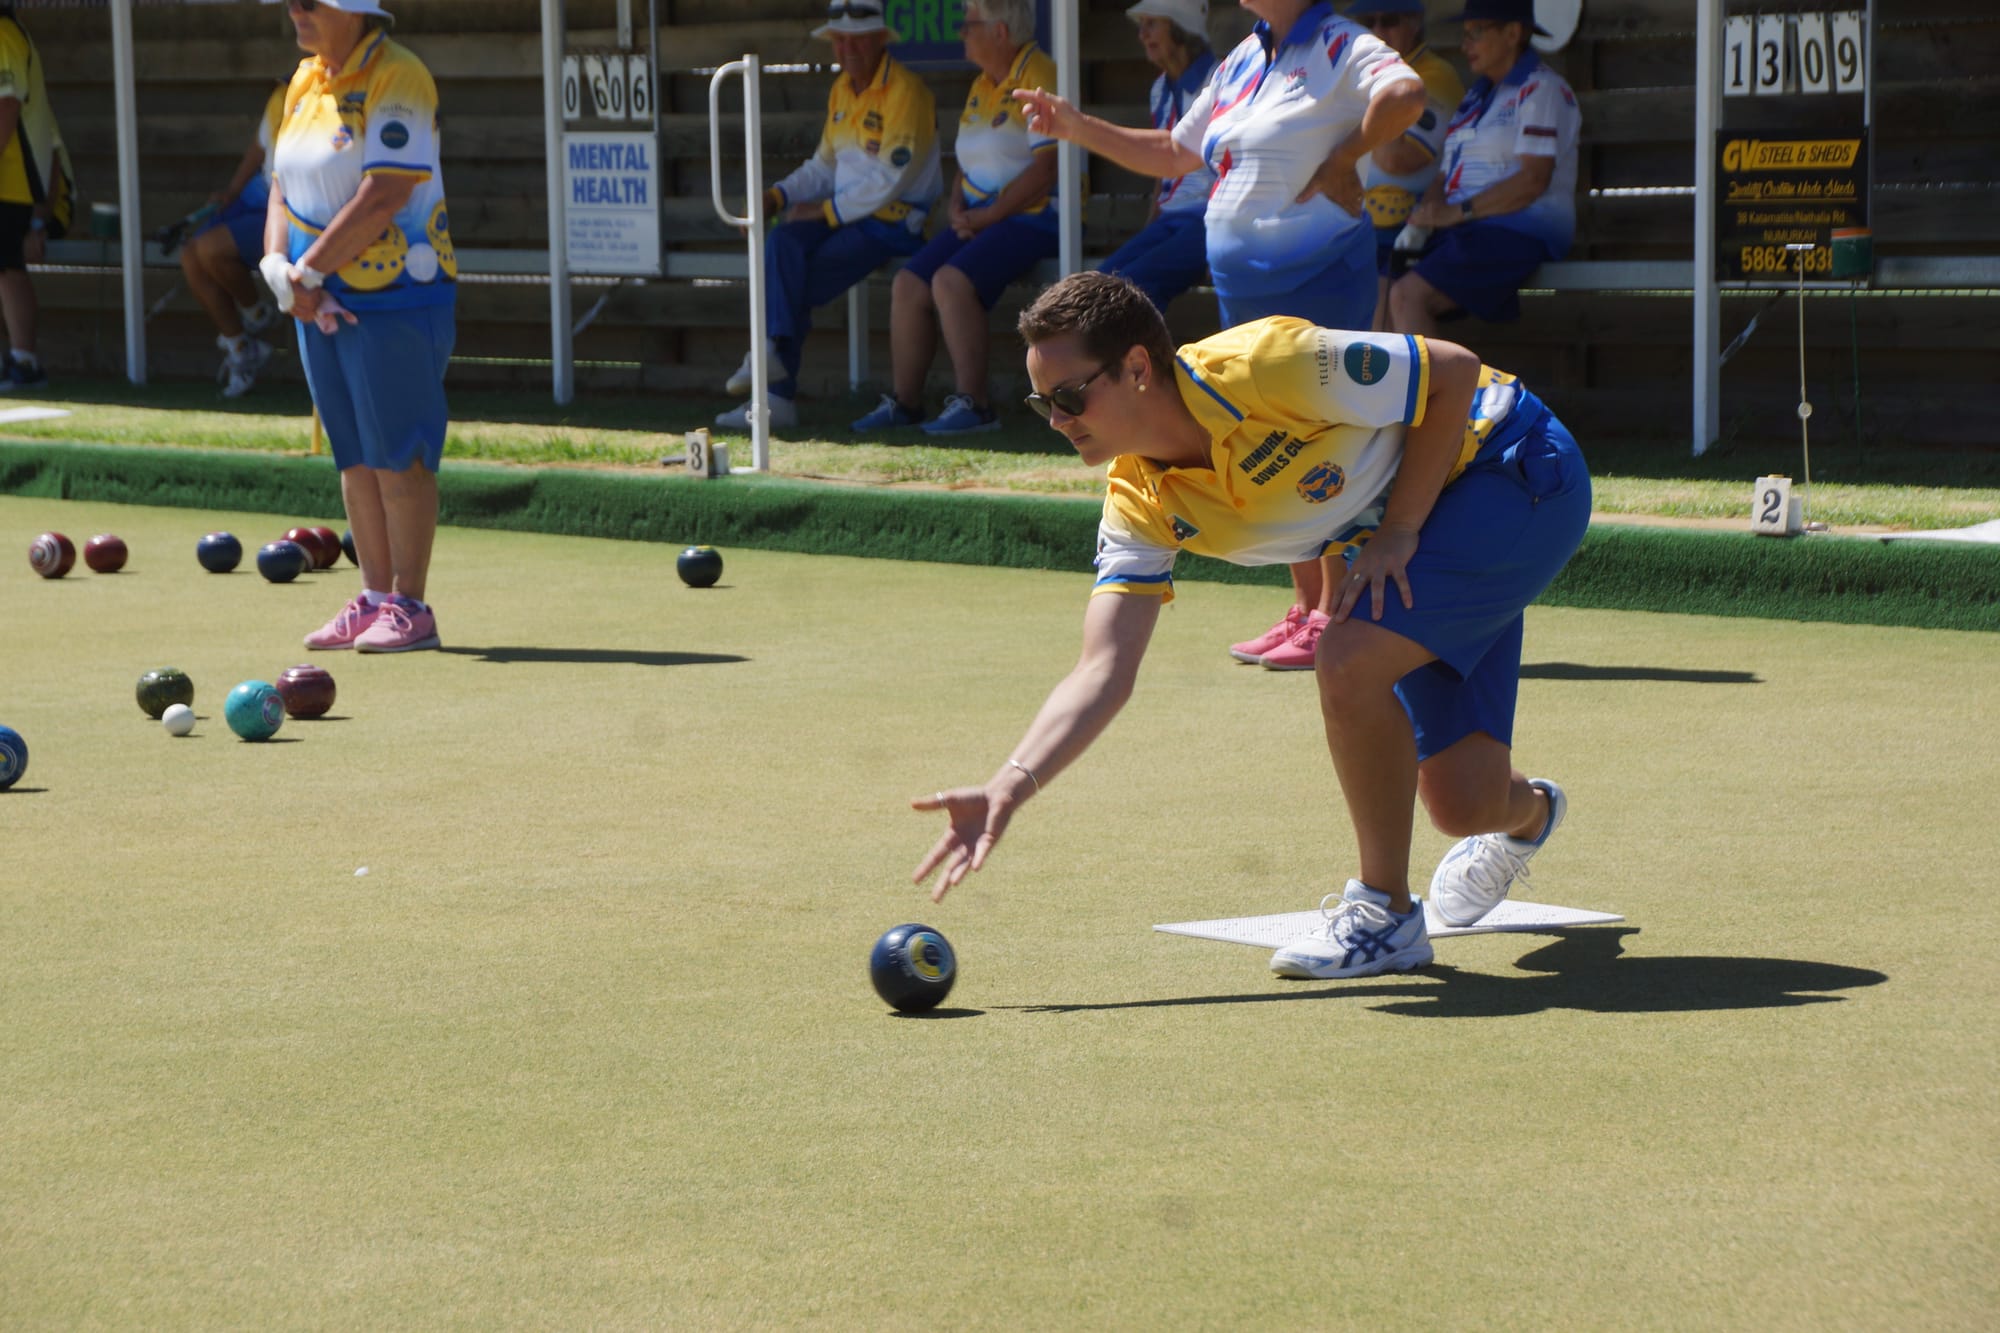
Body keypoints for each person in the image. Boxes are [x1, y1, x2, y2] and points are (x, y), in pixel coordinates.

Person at [910, 271, 1589, 981]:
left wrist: (1399, 529)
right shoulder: (1137, 499)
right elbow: (1101, 668)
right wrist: (1005, 788)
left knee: (1347, 655)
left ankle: (1386, 914)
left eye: (1071, 397)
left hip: (1510, 468)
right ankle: (1531, 814)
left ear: (1138, 367)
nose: (1057, 420)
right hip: (1420, 538)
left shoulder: (1267, 365)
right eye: (1040, 403)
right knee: (1463, 801)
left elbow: (1449, 371)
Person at [1014, 0, 1428, 674]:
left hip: (1320, 273)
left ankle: (1343, 613)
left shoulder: (1335, 41)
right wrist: (1074, 125)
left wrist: (1347, 156)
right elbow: (1177, 151)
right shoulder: (1242, 57)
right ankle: (1308, 611)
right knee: (1263, 436)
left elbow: (1406, 94)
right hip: (1248, 287)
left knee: (1322, 439)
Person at [264, 0, 456, 654]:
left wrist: (306, 274)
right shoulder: (303, 78)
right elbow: (281, 186)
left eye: (309, 2)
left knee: (398, 452)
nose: (295, 11)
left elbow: (387, 191)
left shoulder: (400, 75)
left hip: (399, 293)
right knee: (353, 452)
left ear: (354, 11)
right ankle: (376, 597)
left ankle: (412, 606)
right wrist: (276, 266)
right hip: (315, 294)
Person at [714, 0, 940, 433]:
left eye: (858, 39)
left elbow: (890, 179)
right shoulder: (841, 89)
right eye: (840, 39)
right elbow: (824, 166)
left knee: (790, 278)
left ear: (879, 39)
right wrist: (778, 196)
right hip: (847, 219)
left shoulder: (907, 91)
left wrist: (824, 210)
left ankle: (774, 390)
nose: (848, 48)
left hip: (897, 222)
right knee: (781, 242)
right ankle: (771, 361)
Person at [851, 0, 1059, 437]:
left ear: (1001, 32)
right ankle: (904, 403)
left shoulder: (1039, 74)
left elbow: (1046, 169)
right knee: (908, 283)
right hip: (980, 218)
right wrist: (958, 207)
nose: (961, 32)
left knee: (949, 281)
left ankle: (976, 405)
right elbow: (968, 156)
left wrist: (989, 216)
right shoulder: (982, 83)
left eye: (969, 25)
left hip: (1034, 217)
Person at [1388, 0, 1580, 336]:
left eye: (1476, 33)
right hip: (1470, 230)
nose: (1465, 46)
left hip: (1518, 230)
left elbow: (1533, 181)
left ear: (1513, 33)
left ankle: (1432, 389)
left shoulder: (1541, 88)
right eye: (1464, 35)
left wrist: (1456, 212)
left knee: (1407, 297)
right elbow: (1445, 175)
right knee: (1382, 283)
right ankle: (1403, 388)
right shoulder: (1474, 98)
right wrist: (1424, 216)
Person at [1094, 0, 1218, 314]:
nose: (1142, 35)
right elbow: (1163, 167)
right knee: (1096, 284)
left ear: (1180, 26)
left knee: (1136, 287)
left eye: (1152, 24)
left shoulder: (1220, 81)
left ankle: (1149, 363)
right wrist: (1151, 224)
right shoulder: (1159, 89)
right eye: (1141, 26)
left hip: (1210, 221)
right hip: (1170, 220)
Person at [1345, 0, 1461, 330]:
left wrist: (1360, 116)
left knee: (1373, 325)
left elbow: (1399, 160)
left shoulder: (1435, 77)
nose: (1378, 32)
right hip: (1356, 224)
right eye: (1369, 21)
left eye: (1390, 20)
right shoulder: (1362, 77)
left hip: (1408, 230)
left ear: (1414, 22)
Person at [181, 81, 287, 399]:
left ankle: (256, 312)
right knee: (190, 256)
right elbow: (259, 147)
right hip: (256, 193)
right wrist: (232, 191)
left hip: (284, 206)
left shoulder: (327, 99)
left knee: (210, 249)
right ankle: (243, 347)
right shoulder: (282, 95)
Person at [0, 2, 72, 392]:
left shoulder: (3, 35)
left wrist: (41, 219)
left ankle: (25, 363)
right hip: (10, 179)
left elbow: (6, 106)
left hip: (16, 180)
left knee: (8, 267)